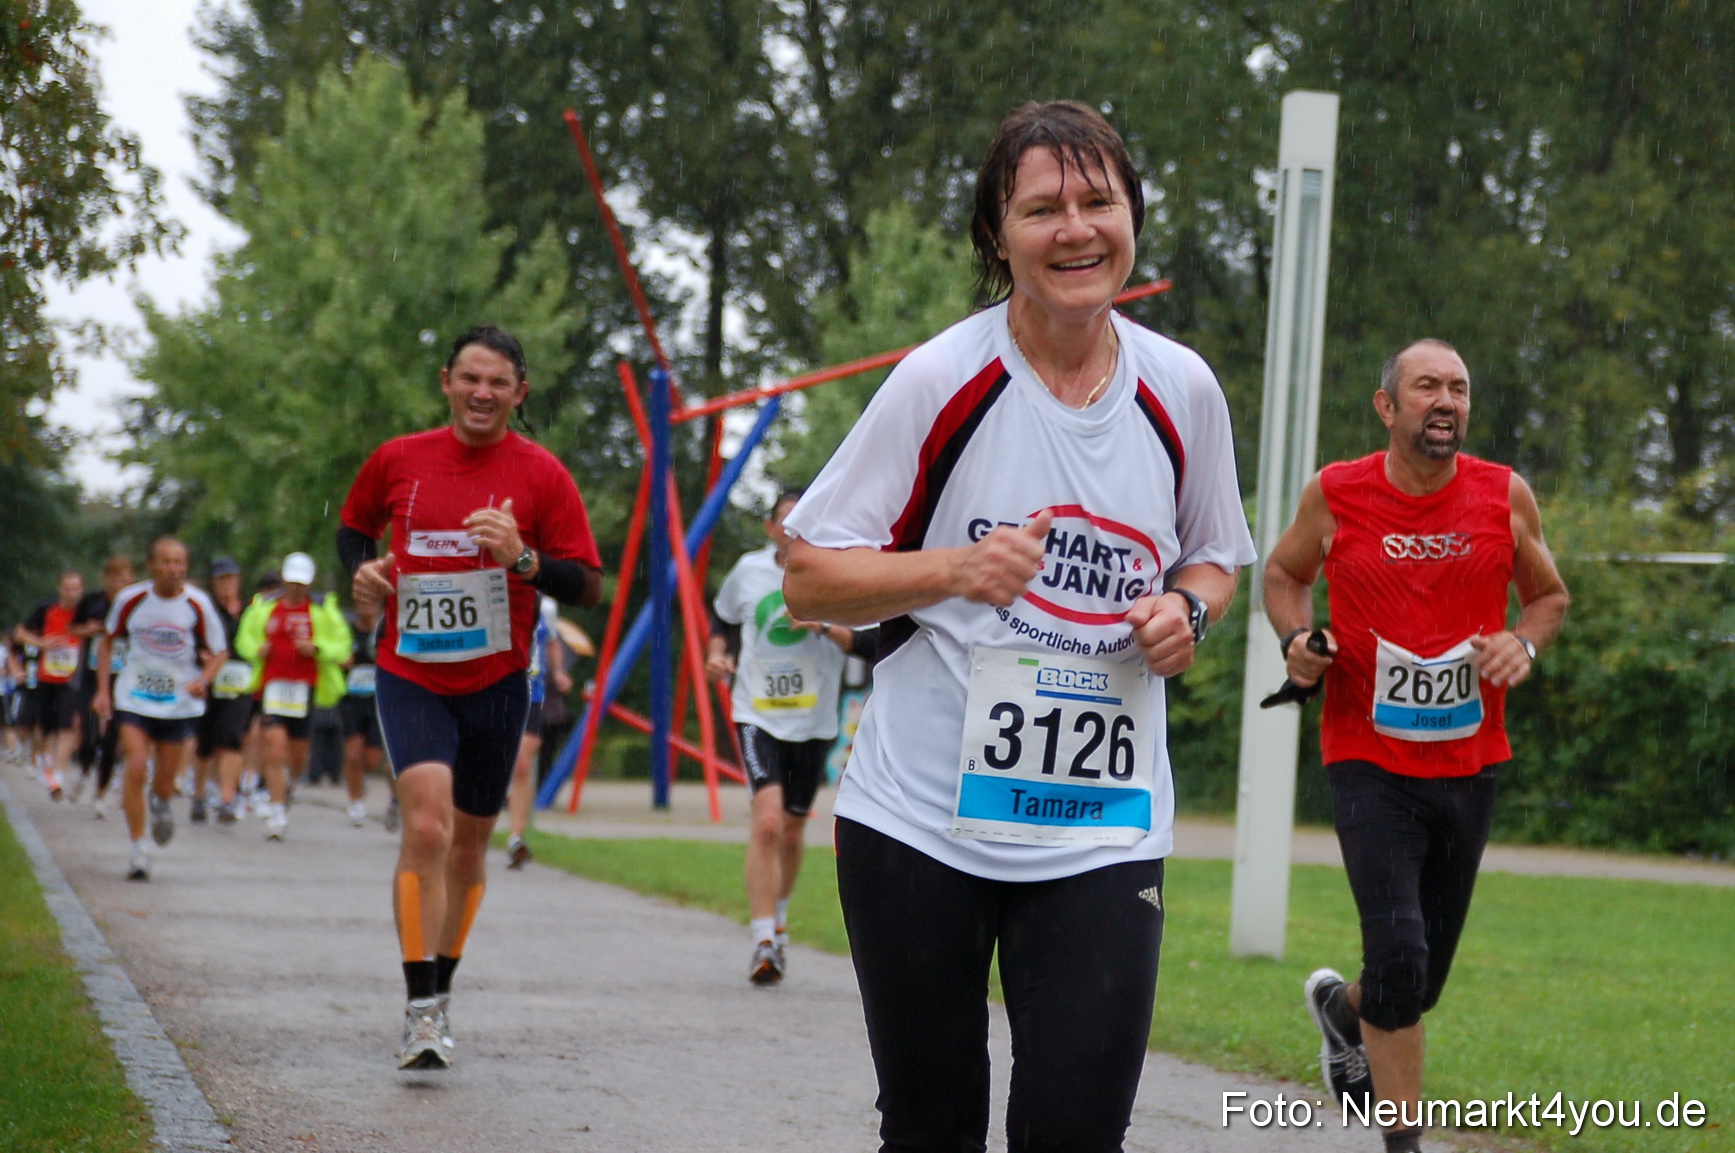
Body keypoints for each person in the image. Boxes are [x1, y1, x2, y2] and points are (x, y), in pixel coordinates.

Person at [781, 101, 1256, 1151]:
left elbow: (1217, 555)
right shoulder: (942, 378)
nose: (1075, 229)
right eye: (1042, 208)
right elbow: (808, 577)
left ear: (1133, 215)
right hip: (919, 822)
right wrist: (956, 566)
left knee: (1076, 1129)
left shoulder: (1181, 388)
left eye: (1099, 202)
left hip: (1101, 824)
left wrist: (1187, 611)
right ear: (998, 234)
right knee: (933, 1125)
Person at [1263, 339, 1570, 1153]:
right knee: (1397, 948)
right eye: (1426, 386)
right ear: (1386, 406)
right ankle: (1404, 1142)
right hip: (1364, 753)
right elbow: (1281, 575)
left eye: (1459, 389)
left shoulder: (1503, 495)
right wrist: (1300, 639)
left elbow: (1547, 595)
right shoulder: (1336, 493)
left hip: (1469, 761)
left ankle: (1342, 1010)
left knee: (1418, 976)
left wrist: (1522, 645)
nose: (1446, 401)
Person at [338, 324, 602, 1071]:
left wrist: (522, 557)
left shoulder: (542, 474)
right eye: (469, 379)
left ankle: (441, 990)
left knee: (471, 844)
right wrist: (364, 578)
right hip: (410, 668)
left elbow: (587, 583)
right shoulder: (398, 459)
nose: (482, 393)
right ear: (445, 381)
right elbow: (354, 531)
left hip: (497, 680)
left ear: (520, 393)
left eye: (498, 383)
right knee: (426, 825)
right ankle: (419, 1007)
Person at [706, 489, 875, 985]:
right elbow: (725, 619)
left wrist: (821, 625)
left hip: (814, 720)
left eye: (806, 521)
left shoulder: (838, 572)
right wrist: (719, 652)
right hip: (757, 712)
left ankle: (778, 921)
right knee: (768, 823)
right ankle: (762, 939)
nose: (795, 529)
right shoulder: (749, 571)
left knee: (795, 830)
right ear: (770, 527)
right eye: (786, 520)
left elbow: (868, 642)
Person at [92, 537, 229, 881]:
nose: (173, 569)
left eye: (180, 563)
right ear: (152, 566)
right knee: (136, 767)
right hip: (134, 696)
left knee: (164, 781)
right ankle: (139, 851)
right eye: (166, 562)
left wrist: (204, 678)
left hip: (178, 702)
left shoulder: (198, 604)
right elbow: (106, 643)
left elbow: (221, 651)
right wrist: (103, 691)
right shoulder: (130, 599)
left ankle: (162, 802)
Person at [234, 551, 352, 840]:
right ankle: (276, 815)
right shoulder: (264, 607)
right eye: (292, 582)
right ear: (284, 580)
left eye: (302, 583)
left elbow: (342, 645)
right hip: (272, 686)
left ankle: (288, 785)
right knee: (274, 747)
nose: (297, 588)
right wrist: (255, 648)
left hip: (307, 689)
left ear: (310, 583)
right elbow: (244, 638)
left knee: (298, 755)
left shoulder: (324, 610)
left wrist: (318, 647)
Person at [503, 595, 566, 869]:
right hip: (496, 688)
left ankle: (516, 837)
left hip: (532, 691)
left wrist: (559, 672)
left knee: (522, 763)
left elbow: (551, 642)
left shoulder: (547, 605)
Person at [71, 555, 136, 814]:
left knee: (112, 737)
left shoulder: (135, 605)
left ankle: (100, 794)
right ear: (107, 579)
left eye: (127, 577)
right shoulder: (92, 601)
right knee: (88, 731)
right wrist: (88, 630)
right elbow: (72, 627)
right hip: (92, 672)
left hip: (123, 675)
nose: (123, 582)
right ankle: (85, 766)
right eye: (118, 577)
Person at [15, 570, 87, 799]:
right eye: (68, 588)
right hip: (46, 677)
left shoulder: (84, 614)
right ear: (60, 589)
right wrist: (42, 643)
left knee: (67, 727)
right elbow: (20, 633)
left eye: (77, 589)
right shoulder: (46, 610)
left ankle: (58, 775)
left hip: (72, 680)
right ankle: (40, 761)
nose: (72, 594)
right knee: (44, 728)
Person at [192, 557, 254, 824]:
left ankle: (227, 799)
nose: (227, 584)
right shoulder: (205, 610)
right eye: (221, 579)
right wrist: (201, 657)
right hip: (209, 681)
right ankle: (199, 794)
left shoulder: (251, 609)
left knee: (232, 737)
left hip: (240, 683)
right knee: (205, 742)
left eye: (231, 578)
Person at [338, 611, 390, 828]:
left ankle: (363, 781)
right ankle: (356, 802)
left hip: (377, 699)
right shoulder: (346, 630)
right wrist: (342, 659)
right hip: (351, 698)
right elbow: (334, 652)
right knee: (353, 751)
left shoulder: (384, 629)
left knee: (372, 759)